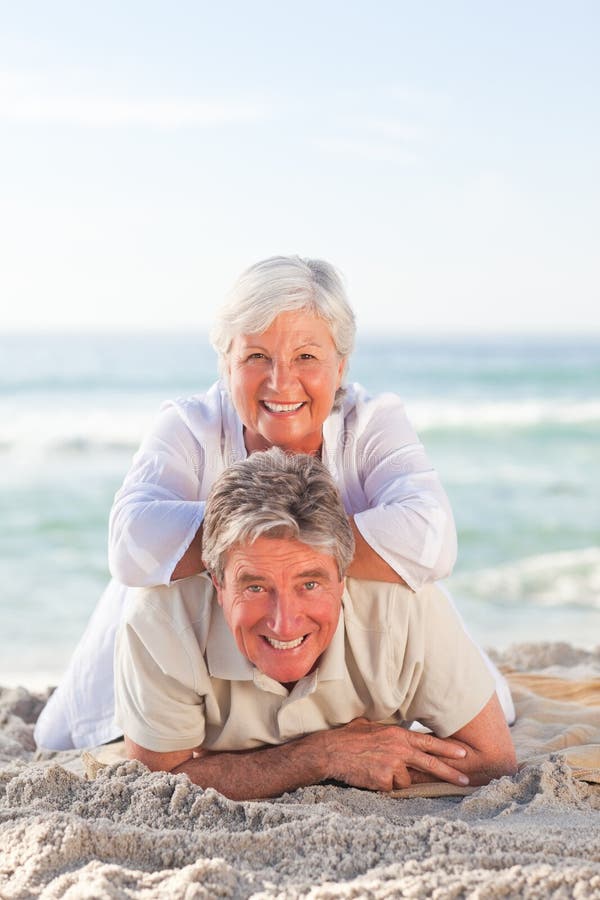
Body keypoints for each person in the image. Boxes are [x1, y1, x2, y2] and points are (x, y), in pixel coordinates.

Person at [35, 255, 514, 750]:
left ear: (341, 364)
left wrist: (300, 544)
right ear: (226, 364)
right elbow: (130, 545)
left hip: (328, 631)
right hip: (215, 622)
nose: (281, 383)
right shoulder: (190, 425)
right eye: (256, 357)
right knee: (61, 736)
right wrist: (257, 540)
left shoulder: (369, 423)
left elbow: (432, 540)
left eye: (306, 357)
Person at [116, 449, 517, 800]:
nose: (284, 622)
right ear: (218, 581)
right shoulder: (160, 623)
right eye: (255, 586)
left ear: (343, 576)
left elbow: (492, 759)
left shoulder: (406, 609)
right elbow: (160, 781)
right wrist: (322, 756)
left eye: (310, 583)